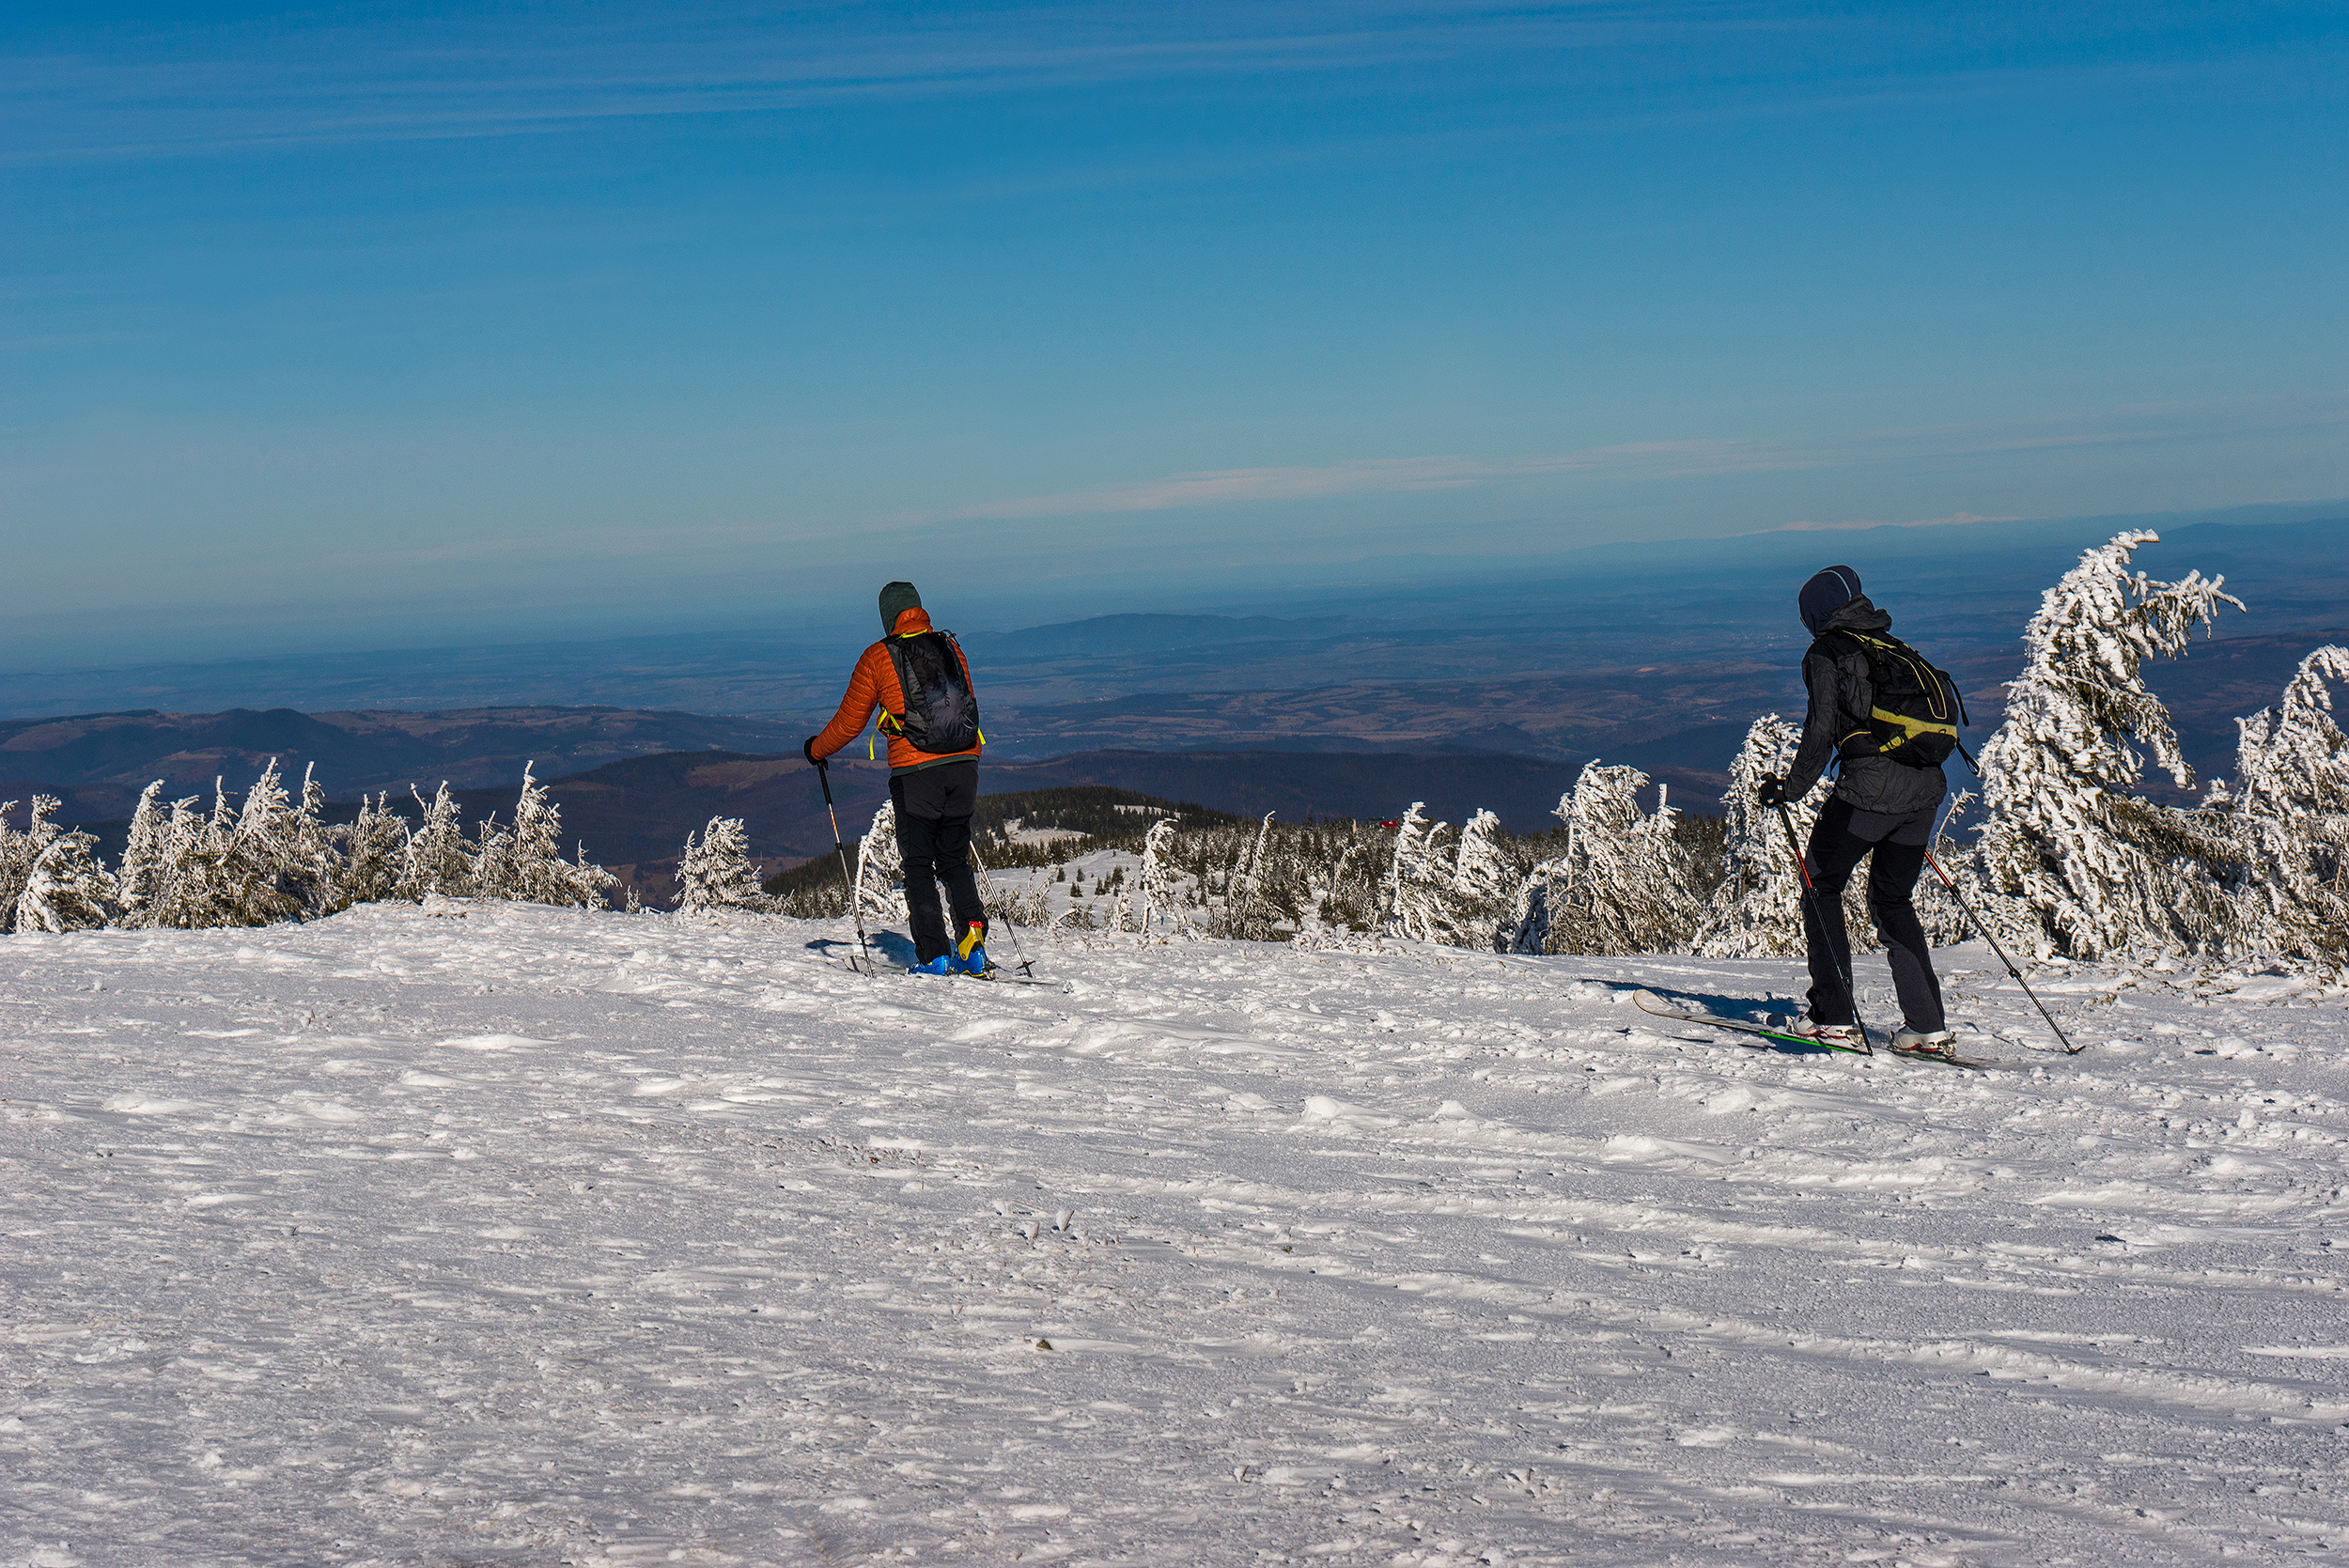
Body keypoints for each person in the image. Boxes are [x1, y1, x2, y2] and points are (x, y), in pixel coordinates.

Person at [1756, 565, 1958, 1058]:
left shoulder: (1829, 652)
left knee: (1821, 883)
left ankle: (1834, 1017)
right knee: (1893, 901)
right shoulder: (1892, 646)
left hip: (1870, 794)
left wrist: (1791, 789)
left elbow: (1821, 727)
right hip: (1925, 793)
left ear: (1815, 615)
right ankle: (1927, 1027)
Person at [804, 582, 990, 976]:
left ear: (887, 616)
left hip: (917, 773)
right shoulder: (949, 646)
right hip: (965, 765)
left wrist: (816, 750)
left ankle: (935, 956)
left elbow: (849, 721)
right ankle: (973, 946)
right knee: (955, 859)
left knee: (919, 863)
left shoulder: (878, 656)